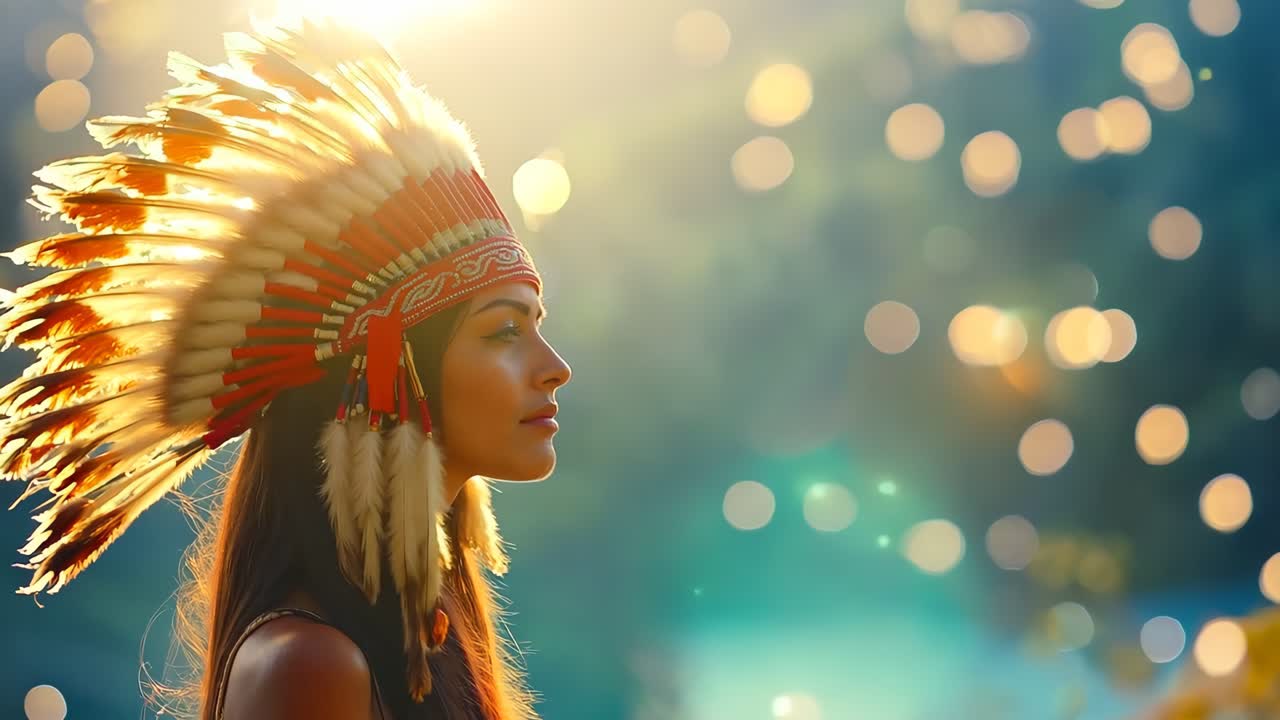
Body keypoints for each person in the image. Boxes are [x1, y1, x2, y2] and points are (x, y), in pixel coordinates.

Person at [0, 16, 570, 720]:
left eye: (537, 326)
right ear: (390, 369)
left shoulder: (432, 626)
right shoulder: (310, 666)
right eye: (504, 331)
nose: (555, 368)